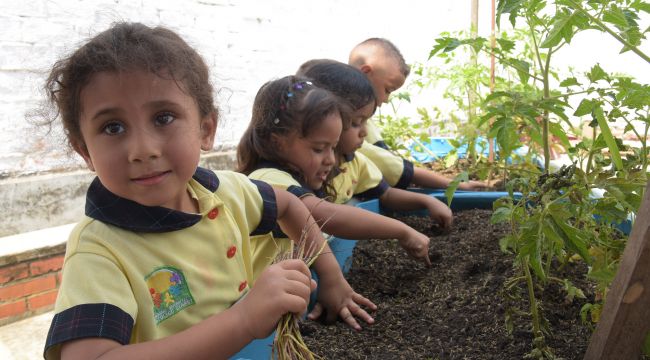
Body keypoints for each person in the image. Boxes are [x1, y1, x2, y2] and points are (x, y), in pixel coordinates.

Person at [40, 22, 359, 359]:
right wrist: (243, 320)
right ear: (85, 152)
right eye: (112, 127)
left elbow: (289, 206)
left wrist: (330, 277)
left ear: (206, 129)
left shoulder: (226, 192)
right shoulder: (100, 248)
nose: (142, 149)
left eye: (163, 118)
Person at [295, 59, 453, 230]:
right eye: (356, 123)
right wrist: (400, 231)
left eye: (366, 122)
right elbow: (324, 215)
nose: (364, 132)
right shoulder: (301, 170)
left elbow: (385, 194)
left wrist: (427, 201)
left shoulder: (354, 162)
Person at [348, 37, 489, 190]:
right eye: (388, 90)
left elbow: (384, 156)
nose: (387, 99)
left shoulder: (360, 118)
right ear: (366, 72)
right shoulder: (346, 120)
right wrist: (455, 186)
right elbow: (390, 165)